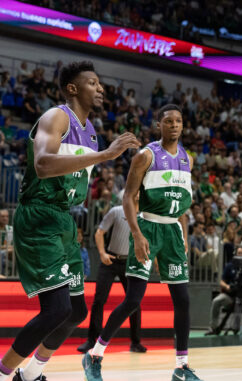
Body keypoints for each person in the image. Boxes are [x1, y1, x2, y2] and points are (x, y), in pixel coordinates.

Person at [0, 61, 140, 381]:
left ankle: (32, 373)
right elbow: (44, 164)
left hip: (64, 220)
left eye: (100, 84)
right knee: (57, 310)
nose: (101, 88)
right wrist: (105, 155)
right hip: (39, 216)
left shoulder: (90, 131)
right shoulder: (56, 116)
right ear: (73, 88)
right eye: (93, 83)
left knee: (76, 311)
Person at [82, 104, 202, 381]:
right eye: (168, 121)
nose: (174, 125)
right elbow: (127, 198)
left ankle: (182, 367)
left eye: (178, 121)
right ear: (159, 125)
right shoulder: (146, 155)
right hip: (148, 227)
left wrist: (184, 236)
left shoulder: (188, 159)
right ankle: (95, 354)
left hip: (173, 233)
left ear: (183, 126)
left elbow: (181, 204)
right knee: (133, 299)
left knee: (182, 300)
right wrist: (137, 235)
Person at [77, 201, 145, 354]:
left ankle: (136, 342)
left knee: (134, 302)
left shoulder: (144, 216)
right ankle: (91, 341)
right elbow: (99, 232)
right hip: (110, 259)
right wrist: (101, 253)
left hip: (130, 262)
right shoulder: (116, 211)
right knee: (99, 300)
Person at [206, 246, 242, 335]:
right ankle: (213, 328)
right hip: (230, 294)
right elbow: (222, 282)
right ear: (235, 254)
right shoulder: (229, 266)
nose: (241, 255)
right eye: (239, 253)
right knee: (216, 301)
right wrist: (227, 286)